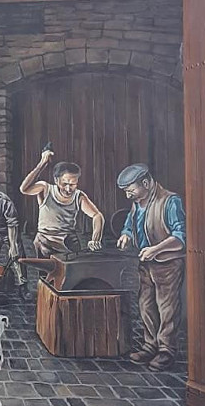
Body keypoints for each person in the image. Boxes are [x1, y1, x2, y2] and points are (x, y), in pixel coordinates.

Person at [116, 163, 186, 371]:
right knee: (146, 305)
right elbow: (130, 224)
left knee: (167, 307)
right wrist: (126, 235)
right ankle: (150, 345)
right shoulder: (138, 202)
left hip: (167, 264)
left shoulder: (170, 201)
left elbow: (181, 237)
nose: (128, 196)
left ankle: (166, 350)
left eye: (131, 191)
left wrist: (156, 250)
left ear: (146, 183)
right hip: (146, 263)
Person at [20, 148, 104, 256]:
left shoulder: (79, 196)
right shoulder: (45, 189)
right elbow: (24, 189)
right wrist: (42, 164)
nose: (68, 189)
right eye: (64, 184)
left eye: (72, 184)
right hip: (44, 241)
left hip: (68, 242)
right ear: (56, 180)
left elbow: (97, 216)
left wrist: (95, 239)